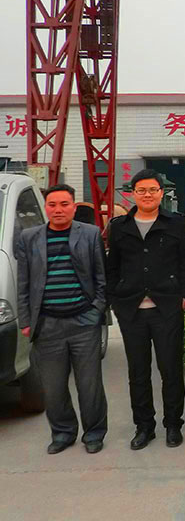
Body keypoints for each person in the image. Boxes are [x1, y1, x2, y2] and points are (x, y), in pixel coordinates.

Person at [16, 184, 108, 454]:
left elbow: (101, 278)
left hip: (84, 322)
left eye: (64, 204)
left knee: (89, 384)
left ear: (74, 207)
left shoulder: (90, 234)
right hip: (47, 324)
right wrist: (26, 321)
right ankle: (63, 433)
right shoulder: (29, 238)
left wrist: (96, 311)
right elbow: (24, 283)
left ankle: (94, 433)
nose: (58, 210)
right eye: (52, 205)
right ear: (45, 208)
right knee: (53, 387)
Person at [106, 169, 185, 450]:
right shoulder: (119, 227)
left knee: (171, 370)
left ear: (161, 193)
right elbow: (112, 267)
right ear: (133, 194)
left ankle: (173, 424)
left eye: (152, 190)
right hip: (131, 310)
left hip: (166, 308)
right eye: (141, 190)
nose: (147, 195)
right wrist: (115, 300)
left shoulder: (175, 224)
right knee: (138, 372)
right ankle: (144, 426)